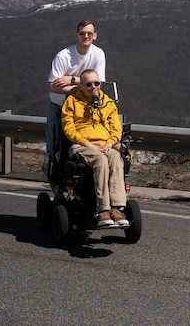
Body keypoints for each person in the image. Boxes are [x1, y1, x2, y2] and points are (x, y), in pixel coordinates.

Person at [61, 68, 129, 228]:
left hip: (105, 144)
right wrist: (90, 145)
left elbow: (115, 128)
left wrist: (110, 143)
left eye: (97, 84)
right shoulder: (72, 102)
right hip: (82, 145)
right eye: (89, 84)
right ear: (82, 86)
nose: (94, 87)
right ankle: (103, 209)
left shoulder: (108, 103)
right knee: (100, 161)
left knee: (115, 158)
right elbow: (69, 129)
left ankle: (118, 207)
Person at [46, 20, 106, 157]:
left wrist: (72, 80)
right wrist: (83, 88)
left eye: (89, 33)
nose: (86, 36)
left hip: (83, 107)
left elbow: (99, 83)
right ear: (76, 35)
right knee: (55, 145)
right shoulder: (63, 57)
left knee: (80, 142)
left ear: (95, 35)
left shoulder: (98, 54)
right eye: (82, 33)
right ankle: (51, 170)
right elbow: (52, 87)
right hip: (59, 106)